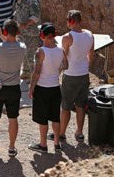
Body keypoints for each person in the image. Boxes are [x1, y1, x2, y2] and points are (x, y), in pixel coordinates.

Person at [0, 19, 26, 157]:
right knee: (13, 118)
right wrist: (3, 34)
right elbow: (12, 42)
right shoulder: (22, 47)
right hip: (14, 87)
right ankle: (12, 147)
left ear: (6, 31)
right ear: (17, 32)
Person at [54, 10, 94, 143]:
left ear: (71, 21)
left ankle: (61, 133)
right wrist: (86, 67)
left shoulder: (67, 37)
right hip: (84, 74)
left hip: (71, 75)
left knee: (65, 106)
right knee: (80, 105)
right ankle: (79, 132)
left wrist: (57, 72)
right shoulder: (89, 34)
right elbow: (91, 54)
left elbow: (63, 57)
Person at [28, 23, 68, 153]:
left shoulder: (40, 51)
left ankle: (43, 144)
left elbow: (37, 72)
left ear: (42, 36)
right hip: (55, 88)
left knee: (43, 118)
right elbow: (66, 65)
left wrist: (31, 88)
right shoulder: (60, 50)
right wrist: (56, 71)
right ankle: (56, 143)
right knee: (55, 117)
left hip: (42, 88)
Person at [13, 0, 41, 81]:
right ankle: (26, 73)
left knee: (30, 56)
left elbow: (35, 16)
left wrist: (25, 24)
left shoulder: (33, 0)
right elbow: (18, 11)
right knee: (23, 53)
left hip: (31, 33)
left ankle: (35, 78)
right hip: (22, 32)